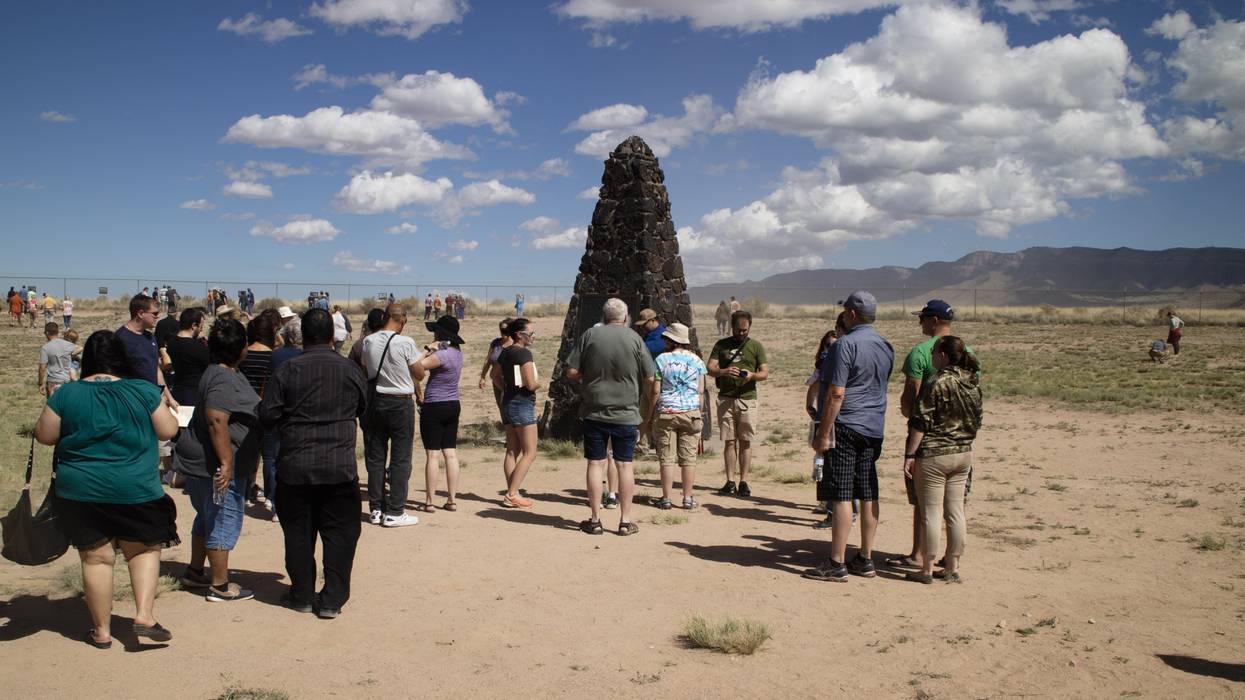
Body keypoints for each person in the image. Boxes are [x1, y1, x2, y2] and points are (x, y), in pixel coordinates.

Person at [35, 330, 179, 647]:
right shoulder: (142, 391)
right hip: (135, 487)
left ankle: (102, 631)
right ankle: (144, 616)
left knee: (96, 559)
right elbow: (168, 429)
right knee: (142, 550)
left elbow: (44, 435)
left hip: (81, 489)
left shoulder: (67, 394)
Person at [260, 308, 367, 618]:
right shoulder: (349, 369)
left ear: (301, 336)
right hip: (339, 467)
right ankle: (332, 599)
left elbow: (268, 415)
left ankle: (302, 594)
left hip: (296, 466)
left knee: (297, 533)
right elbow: (363, 406)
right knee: (341, 534)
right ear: (333, 335)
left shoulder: (287, 370)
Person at [805, 291, 895, 583]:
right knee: (868, 492)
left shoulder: (845, 345)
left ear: (852, 314)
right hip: (874, 426)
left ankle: (837, 561)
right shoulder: (885, 345)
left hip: (846, 424)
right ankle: (865, 558)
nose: (843, 315)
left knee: (842, 493)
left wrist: (823, 433)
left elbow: (836, 392)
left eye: (845, 311)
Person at [171, 319, 260, 602]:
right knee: (223, 518)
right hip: (215, 466)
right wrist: (227, 463)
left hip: (203, 462)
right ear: (242, 347)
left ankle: (195, 571)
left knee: (207, 516)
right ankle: (220, 586)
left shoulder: (220, 371)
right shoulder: (223, 378)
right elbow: (216, 419)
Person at [566, 298, 656, 535]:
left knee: (595, 464)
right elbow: (650, 376)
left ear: (604, 317)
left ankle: (595, 520)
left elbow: (572, 371)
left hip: (594, 411)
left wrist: (590, 378)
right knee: (625, 465)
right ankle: (625, 521)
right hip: (626, 413)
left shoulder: (590, 335)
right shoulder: (635, 339)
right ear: (625, 317)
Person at [903, 336, 983, 585]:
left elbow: (921, 421)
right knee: (955, 511)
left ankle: (926, 568)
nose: (933, 357)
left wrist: (910, 454)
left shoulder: (937, 381)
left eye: (935, 353)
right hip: (963, 452)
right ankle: (952, 565)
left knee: (931, 512)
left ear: (944, 356)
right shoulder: (972, 381)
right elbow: (978, 418)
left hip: (934, 454)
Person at [894, 300, 955, 570]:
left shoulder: (921, 352)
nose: (920, 322)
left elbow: (911, 400)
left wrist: (912, 418)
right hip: (958, 436)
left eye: (922, 318)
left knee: (923, 499)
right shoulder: (966, 351)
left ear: (933, 320)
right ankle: (951, 558)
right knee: (954, 503)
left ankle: (920, 555)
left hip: (926, 437)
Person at [361, 304, 421, 528]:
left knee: (375, 457)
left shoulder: (368, 341)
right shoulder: (405, 342)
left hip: (375, 401)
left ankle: (376, 508)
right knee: (400, 458)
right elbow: (420, 373)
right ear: (401, 319)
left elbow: (366, 369)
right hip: (400, 402)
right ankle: (396, 510)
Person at [641, 323, 706, 510]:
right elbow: (701, 391)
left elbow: (655, 390)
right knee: (689, 459)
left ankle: (667, 498)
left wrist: (650, 415)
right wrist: (699, 413)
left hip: (666, 413)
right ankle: (687, 498)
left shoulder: (661, 360)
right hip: (691, 412)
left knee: (666, 458)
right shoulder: (697, 361)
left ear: (670, 340)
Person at [707, 310, 769, 498]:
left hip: (747, 398)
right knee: (729, 441)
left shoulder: (756, 346)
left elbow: (764, 373)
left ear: (749, 327)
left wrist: (752, 375)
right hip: (726, 398)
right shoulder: (721, 345)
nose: (741, 333)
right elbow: (710, 368)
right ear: (731, 327)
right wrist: (724, 371)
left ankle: (744, 481)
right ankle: (729, 481)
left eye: (745, 330)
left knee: (745, 441)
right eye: (738, 330)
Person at [412, 315, 465, 512]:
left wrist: (427, 349)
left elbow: (416, 366)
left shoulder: (440, 355)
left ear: (440, 334)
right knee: (450, 453)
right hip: (453, 404)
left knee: (432, 455)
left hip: (434, 405)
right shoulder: (457, 354)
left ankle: (429, 501)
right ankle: (452, 500)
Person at [493, 317, 539, 508]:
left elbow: (494, 375)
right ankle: (512, 494)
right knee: (530, 452)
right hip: (523, 404)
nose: (533, 337)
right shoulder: (524, 353)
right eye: (531, 333)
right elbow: (530, 384)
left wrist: (506, 388)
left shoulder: (505, 352)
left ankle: (512, 491)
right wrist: (537, 384)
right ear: (519, 335)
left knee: (512, 451)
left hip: (508, 402)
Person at [807, 317, 846, 528]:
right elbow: (813, 384)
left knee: (834, 470)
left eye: (834, 345)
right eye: (828, 346)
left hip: (836, 422)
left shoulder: (840, 362)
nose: (830, 350)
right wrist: (809, 406)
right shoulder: (825, 363)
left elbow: (836, 394)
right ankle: (827, 504)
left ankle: (835, 513)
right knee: (822, 464)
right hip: (824, 418)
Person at [239, 315, 277, 506]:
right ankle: (271, 497)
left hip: (245, 408)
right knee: (269, 457)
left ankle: (245, 492)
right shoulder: (274, 356)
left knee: (247, 452)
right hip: (268, 408)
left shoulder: (243, 354)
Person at [163, 308, 209, 406]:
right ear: (194, 325)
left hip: (177, 390)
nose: (201, 329)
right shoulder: (197, 347)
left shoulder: (172, 342)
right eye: (201, 326)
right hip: (194, 394)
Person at [38, 322, 76, 397]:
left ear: (47, 333)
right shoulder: (68, 345)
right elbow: (79, 349)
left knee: (52, 404)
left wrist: (40, 383)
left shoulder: (45, 348)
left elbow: (42, 368)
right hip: (66, 380)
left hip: (52, 381)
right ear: (57, 332)